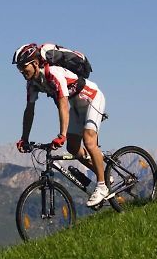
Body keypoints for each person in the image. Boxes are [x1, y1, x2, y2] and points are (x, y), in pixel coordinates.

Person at [12, 43, 113, 206]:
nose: (22, 71)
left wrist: (62, 134)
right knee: (72, 148)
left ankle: (102, 186)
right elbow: (29, 110)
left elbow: (63, 104)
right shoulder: (32, 84)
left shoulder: (53, 73)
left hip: (92, 98)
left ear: (35, 63)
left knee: (88, 141)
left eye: (24, 67)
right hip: (76, 106)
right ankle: (104, 173)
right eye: (19, 69)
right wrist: (24, 138)